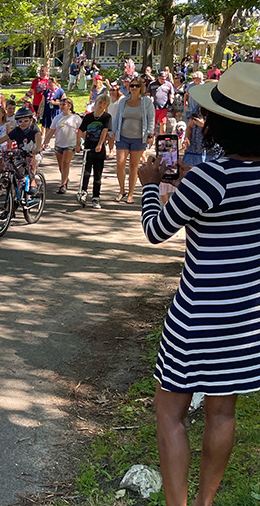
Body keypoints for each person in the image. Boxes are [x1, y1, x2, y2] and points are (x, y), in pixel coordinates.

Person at [137, 62, 260, 506]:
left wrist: (151, 185)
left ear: (220, 124)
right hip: (246, 313)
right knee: (222, 410)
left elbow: (156, 229)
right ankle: (206, 502)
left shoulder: (212, 177)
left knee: (169, 411)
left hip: (197, 313)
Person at [112, 77, 154, 204]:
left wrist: (150, 135)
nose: (134, 88)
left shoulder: (146, 102)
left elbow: (151, 118)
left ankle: (131, 193)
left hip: (138, 138)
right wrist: (111, 131)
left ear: (141, 87)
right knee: (120, 163)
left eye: (136, 86)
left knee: (133, 166)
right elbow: (117, 117)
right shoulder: (123, 101)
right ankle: (121, 190)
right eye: (132, 86)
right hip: (123, 137)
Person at [0, 106, 42, 191]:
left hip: (33, 152)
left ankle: (33, 181)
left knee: (31, 160)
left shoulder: (34, 129)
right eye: (20, 121)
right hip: (21, 153)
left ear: (31, 121)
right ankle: (13, 189)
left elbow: (38, 139)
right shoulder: (16, 130)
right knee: (13, 167)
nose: (23, 123)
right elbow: (4, 139)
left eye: (26, 121)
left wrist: (37, 148)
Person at [76, 95, 112, 209]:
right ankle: (83, 191)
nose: (101, 105)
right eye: (100, 102)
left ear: (106, 106)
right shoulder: (88, 117)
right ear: (96, 102)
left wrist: (100, 144)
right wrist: (78, 143)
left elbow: (104, 131)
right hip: (88, 147)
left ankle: (96, 197)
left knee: (97, 174)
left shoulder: (106, 117)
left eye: (104, 104)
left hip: (98, 149)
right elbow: (81, 130)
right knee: (86, 172)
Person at [44, 98, 82, 194]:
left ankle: (63, 184)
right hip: (58, 144)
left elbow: (81, 131)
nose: (61, 106)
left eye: (63, 104)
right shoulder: (57, 118)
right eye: (60, 105)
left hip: (70, 144)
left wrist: (79, 144)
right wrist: (45, 142)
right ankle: (65, 178)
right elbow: (51, 131)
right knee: (61, 165)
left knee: (66, 163)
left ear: (69, 106)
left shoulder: (75, 118)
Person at [41, 77, 64, 144]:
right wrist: (40, 111)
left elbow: (65, 102)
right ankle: (46, 143)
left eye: (50, 83)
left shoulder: (60, 91)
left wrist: (55, 103)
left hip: (56, 111)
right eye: (48, 83)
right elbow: (42, 101)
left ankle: (58, 142)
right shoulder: (46, 91)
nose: (49, 84)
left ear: (54, 83)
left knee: (56, 128)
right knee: (48, 127)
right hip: (47, 111)